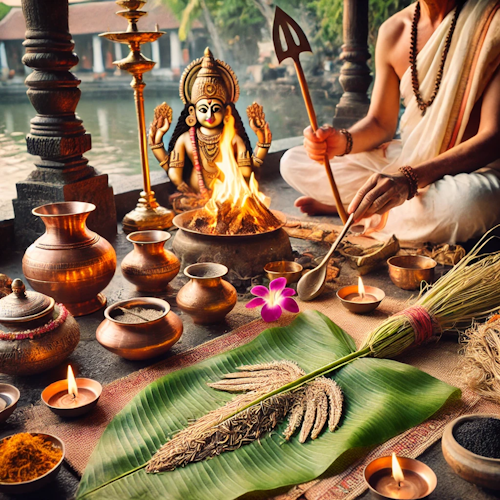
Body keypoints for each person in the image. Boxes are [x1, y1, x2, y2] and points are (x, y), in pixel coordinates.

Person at [280, 0, 500, 244]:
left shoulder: (491, 22)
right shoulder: (394, 30)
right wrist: (341, 142)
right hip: (407, 158)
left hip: (470, 171)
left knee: (468, 205)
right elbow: (380, 123)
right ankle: (379, 209)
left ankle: (357, 212)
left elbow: (493, 138)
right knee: (292, 162)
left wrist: (408, 180)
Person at [149, 48, 272, 208]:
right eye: (203, 110)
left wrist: (262, 143)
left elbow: (247, 172)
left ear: (226, 111)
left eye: (215, 109)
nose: (209, 115)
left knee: (241, 204)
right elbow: (174, 171)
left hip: (227, 197)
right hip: (195, 197)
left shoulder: (232, 138)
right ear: (192, 111)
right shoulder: (186, 139)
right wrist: (157, 143)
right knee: (181, 203)